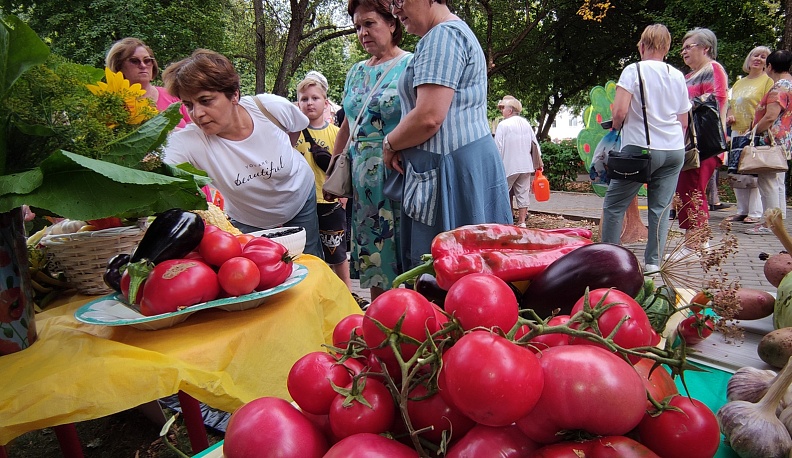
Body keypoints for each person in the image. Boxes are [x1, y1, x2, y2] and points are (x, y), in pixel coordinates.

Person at [386, 0, 512, 270]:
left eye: (398, 0)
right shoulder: (449, 34)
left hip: (449, 172)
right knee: (471, 270)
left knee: (450, 274)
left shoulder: (443, 36)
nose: (395, 10)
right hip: (453, 166)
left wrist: (390, 143)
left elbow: (428, 117)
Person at [161, 49, 323, 258]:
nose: (197, 114)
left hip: (300, 201)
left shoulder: (271, 108)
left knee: (311, 267)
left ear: (234, 94)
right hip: (248, 221)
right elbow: (156, 169)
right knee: (260, 277)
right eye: (189, 105)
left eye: (206, 100)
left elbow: (296, 126)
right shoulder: (190, 141)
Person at [326, 0, 410, 302]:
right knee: (376, 257)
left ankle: (416, 317)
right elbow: (348, 125)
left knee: (407, 252)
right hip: (363, 181)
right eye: (357, 26)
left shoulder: (410, 65)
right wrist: (334, 169)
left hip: (400, 174)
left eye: (369, 23)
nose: (362, 32)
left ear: (392, 23)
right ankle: (381, 319)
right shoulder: (356, 72)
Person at [600, 24, 690, 274]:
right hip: (673, 151)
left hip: (639, 150)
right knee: (659, 210)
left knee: (614, 206)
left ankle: (609, 260)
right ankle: (653, 265)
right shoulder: (677, 75)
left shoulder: (633, 71)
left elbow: (619, 111)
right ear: (667, 48)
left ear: (641, 45)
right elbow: (684, 121)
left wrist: (616, 128)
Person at [295, 73, 352, 287]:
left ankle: (347, 292)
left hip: (329, 202)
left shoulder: (337, 133)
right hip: (301, 204)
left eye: (315, 98)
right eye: (304, 98)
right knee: (309, 254)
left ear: (325, 102)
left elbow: (344, 166)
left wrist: (344, 197)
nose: (310, 103)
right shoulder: (292, 134)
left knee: (337, 253)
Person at [676, 27, 729, 244]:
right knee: (688, 191)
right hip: (690, 143)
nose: (684, 52)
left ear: (706, 48)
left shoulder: (713, 68)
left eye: (689, 46)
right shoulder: (689, 76)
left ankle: (695, 245)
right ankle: (698, 243)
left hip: (704, 143)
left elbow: (714, 100)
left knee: (693, 191)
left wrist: (682, 108)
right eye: (682, 49)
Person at [725, 46, 773, 224]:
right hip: (738, 131)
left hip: (755, 132)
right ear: (749, 58)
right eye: (755, 55)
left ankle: (755, 212)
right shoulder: (739, 82)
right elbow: (732, 104)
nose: (758, 58)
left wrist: (756, 126)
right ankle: (742, 210)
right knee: (738, 172)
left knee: (754, 172)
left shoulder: (767, 81)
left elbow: (769, 105)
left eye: (763, 56)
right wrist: (729, 117)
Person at [747, 49, 792, 235]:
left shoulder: (778, 88)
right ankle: (779, 224)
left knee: (768, 184)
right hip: (786, 140)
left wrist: (753, 131)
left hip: (772, 142)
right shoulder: (790, 84)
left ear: (770, 66)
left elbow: (770, 116)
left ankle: (770, 224)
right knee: (778, 183)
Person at [105, 38, 191, 127]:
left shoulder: (173, 95)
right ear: (118, 66)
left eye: (147, 60)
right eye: (134, 61)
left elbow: (197, 131)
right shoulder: (113, 103)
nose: (143, 65)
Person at [494, 95, 541, 227]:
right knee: (522, 193)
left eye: (503, 108)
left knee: (503, 193)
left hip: (508, 166)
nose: (501, 110)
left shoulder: (503, 125)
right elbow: (535, 144)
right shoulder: (526, 123)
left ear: (510, 110)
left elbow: (498, 147)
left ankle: (506, 220)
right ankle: (522, 222)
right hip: (526, 165)